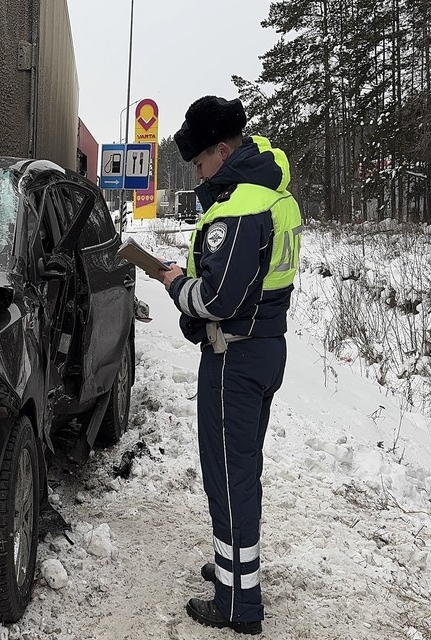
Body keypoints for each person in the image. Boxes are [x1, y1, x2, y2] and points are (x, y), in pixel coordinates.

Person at [154, 96, 302, 635]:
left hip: (232, 354)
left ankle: (237, 603)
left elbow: (220, 299)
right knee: (243, 467)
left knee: (228, 475)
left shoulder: (242, 206)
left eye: (198, 163)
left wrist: (174, 284)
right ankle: (232, 568)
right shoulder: (272, 190)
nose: (196, 172)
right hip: (263, 347)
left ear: (222, 148)